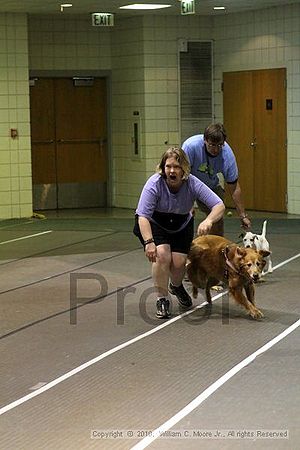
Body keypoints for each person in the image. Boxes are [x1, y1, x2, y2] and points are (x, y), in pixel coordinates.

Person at [133, 147, 225, 319]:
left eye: (176, 166)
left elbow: (219, 205)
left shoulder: (192, 183)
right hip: (155, 222)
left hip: (181, 224)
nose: (172, 171)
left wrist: (209, 220)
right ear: (162, 168)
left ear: (184, 169)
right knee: (162, 255)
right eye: (168, 166)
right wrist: (149, 242)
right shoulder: (154, 184)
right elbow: (143, 216)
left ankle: (176, 286)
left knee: (178, 263)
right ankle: (162, 299)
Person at [182, 123, 251, 236]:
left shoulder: (227, 155)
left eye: (219, 145)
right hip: (189, 183)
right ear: (205, 140)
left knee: (217, 217)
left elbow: (234, 188)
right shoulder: (190, 147)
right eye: (212, 145)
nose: (216, 149)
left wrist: (242, 215)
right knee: (186, 215)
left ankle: (217, 248)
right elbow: (182, 177)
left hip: (210, 186)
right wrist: (188, 204)